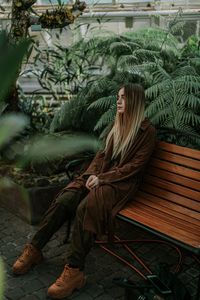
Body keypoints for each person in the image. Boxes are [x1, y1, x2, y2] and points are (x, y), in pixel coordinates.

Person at [12, 83, 156, 299]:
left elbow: (133, 168)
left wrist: (102, 179)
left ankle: (74, 271)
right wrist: (90, 176)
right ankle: (35, 249)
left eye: (123, 97)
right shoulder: (116, 125)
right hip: (100, 178)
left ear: (134, 101)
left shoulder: (147, 132)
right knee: (66, 198)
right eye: (117, 96)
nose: (118, 101)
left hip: (121, 184)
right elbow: (99, 157)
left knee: (86, 207)